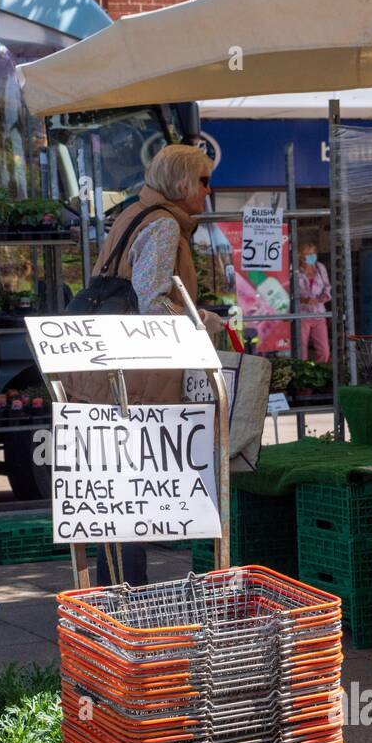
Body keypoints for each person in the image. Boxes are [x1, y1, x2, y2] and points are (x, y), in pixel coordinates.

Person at [63, 143, 224, 587]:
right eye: (205, 181)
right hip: (136, 378)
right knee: (133, 492)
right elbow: (154, 303)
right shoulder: (164, 225)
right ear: (182, 184)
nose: (210, 191)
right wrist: (206, 320)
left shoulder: (133, 214)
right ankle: (128, 597)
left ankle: (115, 594)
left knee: (116, 491)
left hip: (104, 368)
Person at [294, 238, 331, 361]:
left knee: (324, 351)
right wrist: (304, 300)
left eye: (313, 254)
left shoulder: (320, 267)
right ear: (301, 255)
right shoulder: (295, 270)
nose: (311, 257)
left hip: (319, 314)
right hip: (302, 315)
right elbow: (289, 292)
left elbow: (327, 286)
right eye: (308, 254)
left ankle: (320, 374)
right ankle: (303, 375)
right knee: (301, 351)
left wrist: (324, 296)